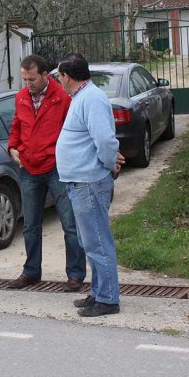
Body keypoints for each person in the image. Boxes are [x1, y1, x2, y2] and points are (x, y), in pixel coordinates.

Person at [7, 54, 86, 291]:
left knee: (70, 224)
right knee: (30, 225)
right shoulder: (21, 97)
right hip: (29, 169)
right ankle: (31, 272)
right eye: (24, 79)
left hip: (57, 169)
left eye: (31, 79)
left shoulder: (62, 97)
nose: (27, 84)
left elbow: (72, 131)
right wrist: (12, 147)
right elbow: (16, 125)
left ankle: (75, 275)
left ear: (44, 75)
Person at [55, 53, 122, 317]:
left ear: (66, 77)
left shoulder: (91, 98)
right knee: (89, 241)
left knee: (97, 242)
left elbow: (105, 141)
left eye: (59, 76)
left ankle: (107, 299)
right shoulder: (81, 97)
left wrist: (109, 165)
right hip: (80, 182)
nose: (59, 80)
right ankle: (98, 292)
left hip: (90, 182)